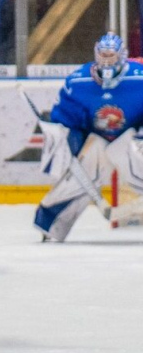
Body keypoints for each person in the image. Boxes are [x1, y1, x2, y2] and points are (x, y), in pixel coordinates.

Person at [34, 33, 143, 241]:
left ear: (123, 56)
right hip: (101, 140)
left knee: (128, 158)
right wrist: (62, 137)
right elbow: (67, 120)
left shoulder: (139, 78)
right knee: (85, 175)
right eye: (103, 55)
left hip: (133, 138)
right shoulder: (79, 81)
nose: (107, 61)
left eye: (112, 56)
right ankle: (51, 224)